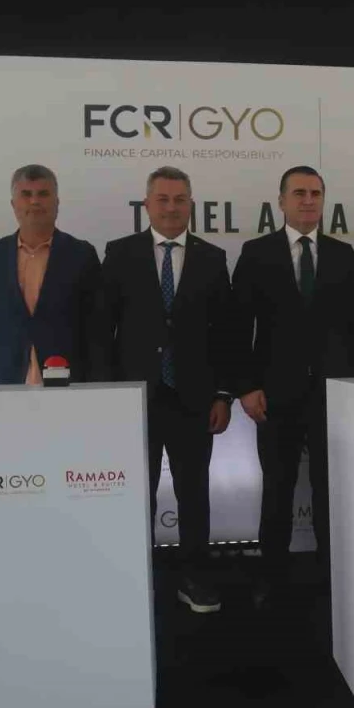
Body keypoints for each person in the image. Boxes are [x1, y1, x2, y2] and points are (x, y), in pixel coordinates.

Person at [94, 167, 235, 614]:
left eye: (179, 199)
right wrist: (109, 397)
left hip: (194, 397)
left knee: (194, 493)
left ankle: (194, 579)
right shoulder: (120, 253)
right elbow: (101, 330)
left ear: (190, 204)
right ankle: (136, 578)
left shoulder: (212, 257)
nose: (171, 207)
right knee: (137, 493)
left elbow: (225, 334)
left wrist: (223, 394)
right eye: (163, 199)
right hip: (137, 399)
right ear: (147, 205)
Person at [232, 165, 354, 609]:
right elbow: (237, 326)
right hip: (274, 394)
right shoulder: (256, 253)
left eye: (316, 193)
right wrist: (246, 387)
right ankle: (271, 577)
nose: (308, 200)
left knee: (331, 489)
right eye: (299, 193)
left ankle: (333, 576)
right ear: (281, 201)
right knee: (277, 489)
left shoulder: (343, 255)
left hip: (332, 396)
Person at [0, 164, 100, 388]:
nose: (35, 201)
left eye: (43, 194)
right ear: (13, 204)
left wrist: (98, 389)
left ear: (57, 203)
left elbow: (96, 332)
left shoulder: (81, 255)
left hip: (69, 386)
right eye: (26, 194)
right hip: (2, 386)